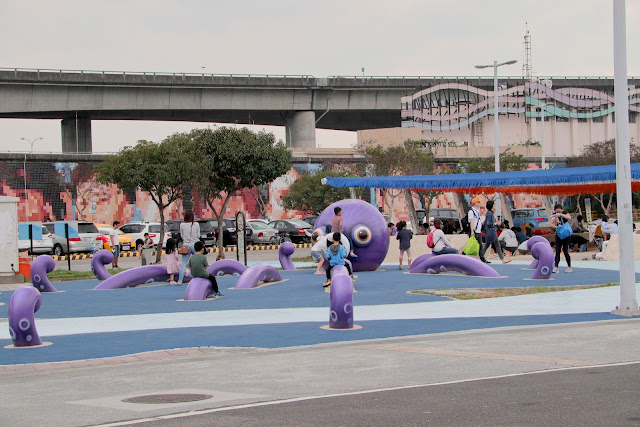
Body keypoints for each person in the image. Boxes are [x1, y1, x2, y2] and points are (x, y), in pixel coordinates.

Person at [178, 210, 201, 284]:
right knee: (197, 262)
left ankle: (180, 280)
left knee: (184, 263)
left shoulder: (182, 225)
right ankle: (198, 279)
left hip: (186, 246)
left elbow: (181, 235)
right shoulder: (196, 224)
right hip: (195, 245)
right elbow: (198, 235)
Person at [550, 203, 572, 273]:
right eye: (557, 211)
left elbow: (569, 217)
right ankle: (556, 267)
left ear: (562, 210)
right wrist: (556, 226)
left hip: (566, 235)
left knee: (565, 251)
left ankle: (569, 266)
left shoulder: (565, 213)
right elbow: (550, 223)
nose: (558, 213)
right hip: (559, 235)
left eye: (559, 211)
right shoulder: (554, 215)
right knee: (557, 251)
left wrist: (561, 215)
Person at [467, 197, 489, 262]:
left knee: (480, 245)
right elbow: (471, 221)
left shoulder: (477, 211)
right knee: (471, 245)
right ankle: (464, 255)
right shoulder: (471, 211)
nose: (479, 203)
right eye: (478, 202)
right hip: (474, 231)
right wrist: (472, 231)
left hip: (478, 231)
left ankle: (482, 258)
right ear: (475, 203)